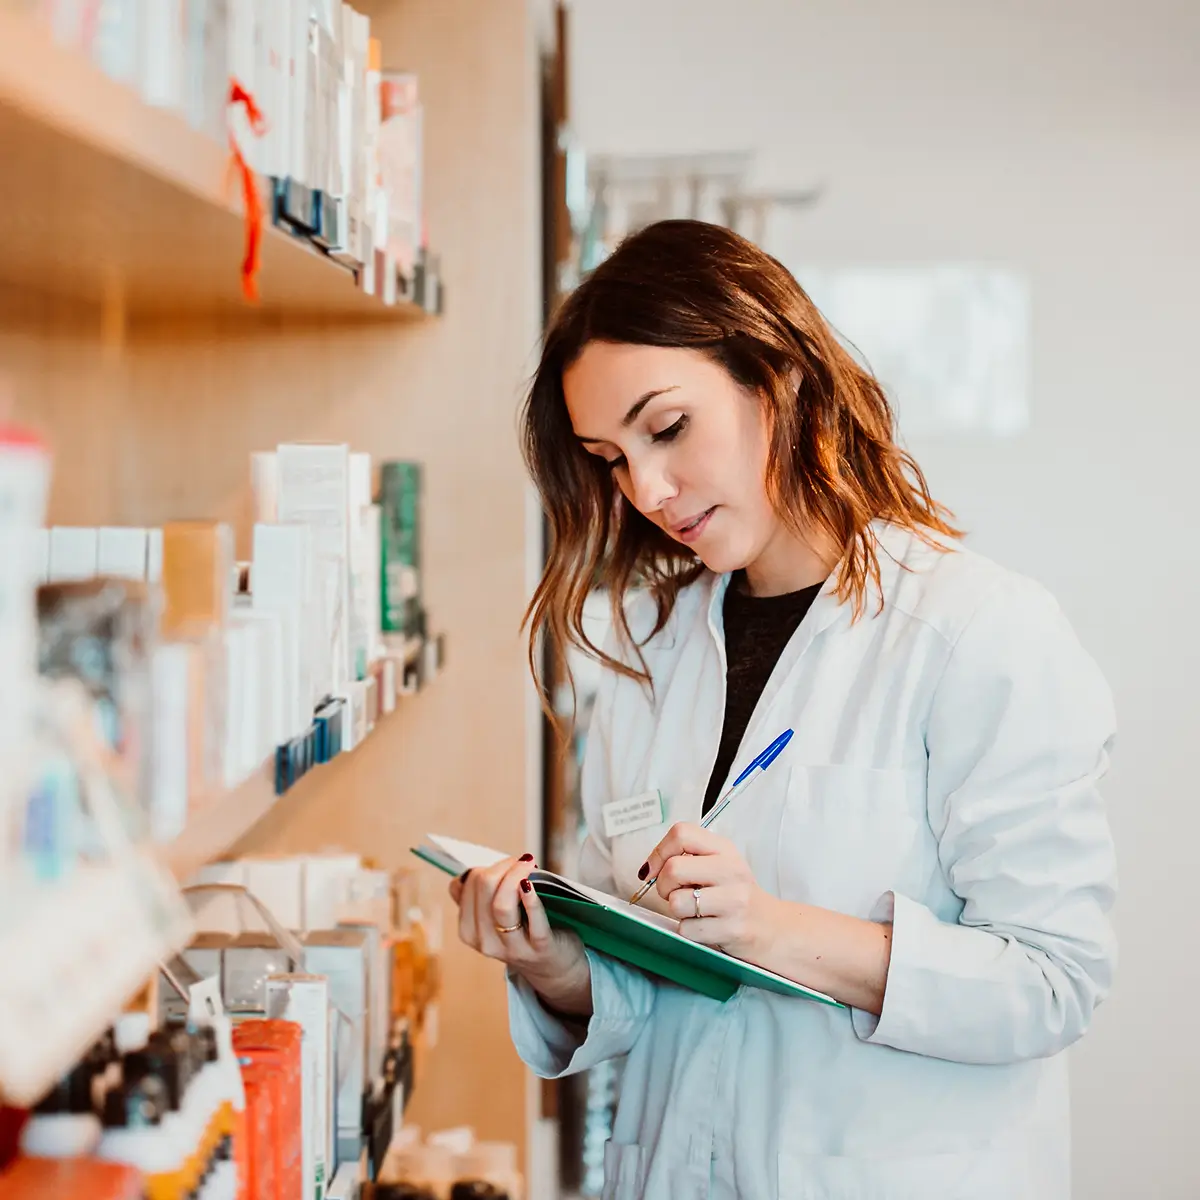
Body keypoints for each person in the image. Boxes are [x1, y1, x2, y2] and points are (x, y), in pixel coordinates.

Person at [450, 220, 1117, 1199]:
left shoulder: (976, 632)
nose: (647, 489)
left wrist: (765, 925)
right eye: (610, 457)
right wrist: (555, 963)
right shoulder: (649, 647)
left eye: (667, 428)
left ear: (778, 377)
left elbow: (1053, 982)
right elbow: (659, 974)